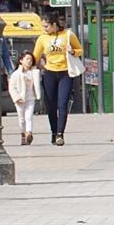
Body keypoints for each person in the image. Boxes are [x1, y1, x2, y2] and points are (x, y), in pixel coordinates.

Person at [33, 11, 84, 146]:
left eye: (46, 26)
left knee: (62, 104)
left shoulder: (67, 35)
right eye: (43, 26)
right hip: (49, 73)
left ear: (54, 24)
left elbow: (80, 50)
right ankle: (54, 132)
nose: (44, 29)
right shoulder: (42, 38)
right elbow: (35, 56)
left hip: (65, 73)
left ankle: (60, 134)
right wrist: (27, 67)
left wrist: (73, 51)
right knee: (51, 106)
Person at [8, 51, 41, 145]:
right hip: (20, 99)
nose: (29, 61)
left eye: (31, 60)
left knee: (29, 116)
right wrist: (17, 97)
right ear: (21, 60)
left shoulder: (34, 72)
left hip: (30, 98)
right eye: (27, 59)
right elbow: (12, 88)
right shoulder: (16, 74)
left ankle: (29, 133)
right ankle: (23, 133)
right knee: (21, 118)